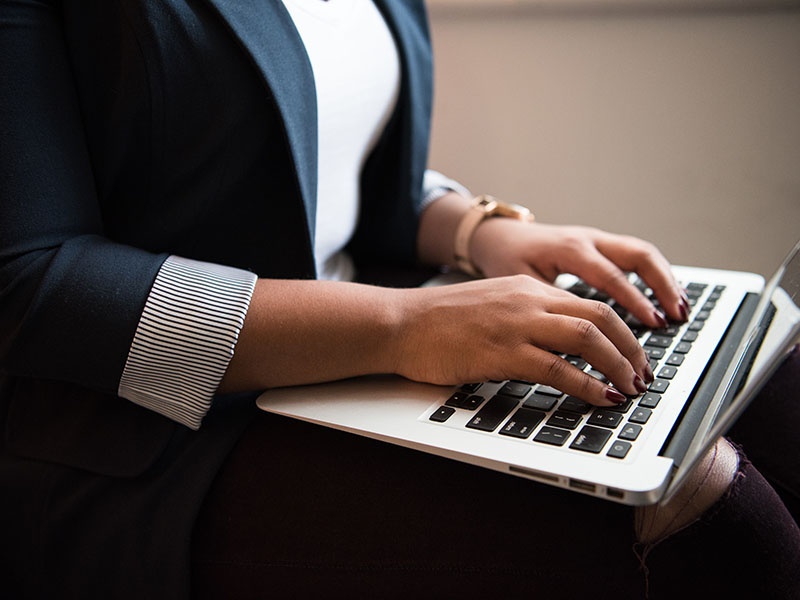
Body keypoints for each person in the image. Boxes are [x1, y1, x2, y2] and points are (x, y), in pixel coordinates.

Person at [0, 1, 797, 598]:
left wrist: (476, 231)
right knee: (711, 510)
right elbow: (28, 278)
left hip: (361, 361)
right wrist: (401, 324)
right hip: (141, 438)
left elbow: (316, 163)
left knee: (775, 394)